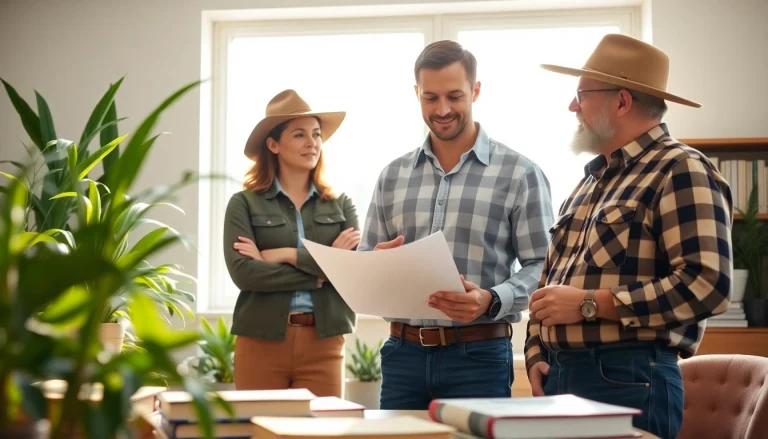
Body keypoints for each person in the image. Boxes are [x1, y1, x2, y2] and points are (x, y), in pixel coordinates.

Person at [525, 34, 732, 439]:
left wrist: (589, 304)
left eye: (581, 94)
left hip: (628, 377)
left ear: (621, 101)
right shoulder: (588, 184)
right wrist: (535, 353)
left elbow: (708, 284)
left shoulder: (681, 168)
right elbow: (549, 286)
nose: (572, 106)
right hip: (562, 379)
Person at [358, 40, 554, 409]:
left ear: (476, 91)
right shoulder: (392, 176)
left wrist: (492, 299)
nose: (442, 109)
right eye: (430, 98)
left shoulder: (519, 173)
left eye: (454, 96)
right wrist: (373, 262)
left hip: (478, 356)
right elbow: (365, 257)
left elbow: (546, 265)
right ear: (416, 93)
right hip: (402, 356)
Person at [223, 89, 360, 397]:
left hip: (325, 341)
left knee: (324, 433)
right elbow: (244, 274)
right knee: (261, 430)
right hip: (260, 341)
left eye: (316, 134)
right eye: (299, 135)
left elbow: (351, 272)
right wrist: (324, 271)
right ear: (273, 144)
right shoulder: (243, 204)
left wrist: (283, 254)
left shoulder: (341, 205)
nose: (312, 143)